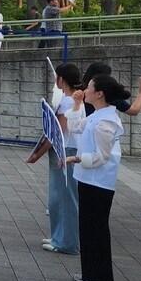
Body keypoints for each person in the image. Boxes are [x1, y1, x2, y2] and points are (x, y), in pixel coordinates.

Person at [63, 75, 129, 281]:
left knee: (95, 229)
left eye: (89, 87)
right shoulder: (99, 115)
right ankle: (92, 273)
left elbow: (102, 156)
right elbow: (75, 126)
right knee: (89, 228)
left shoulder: (105, 121)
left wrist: (76, 159)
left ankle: (100, 278)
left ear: (100, 93)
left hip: (98, 182)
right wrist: (76, 103)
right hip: (90, 179)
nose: (85, 89)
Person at [41, 63, 84, 255]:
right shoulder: (71, 100)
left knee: (65, 197)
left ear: (61, 79)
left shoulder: (68, 102)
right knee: (59, 197)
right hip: (66, 150)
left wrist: (37, 153)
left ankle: (66, 241)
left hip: (65, 151)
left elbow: (59, 130)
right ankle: (59, 236)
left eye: (56, 77)